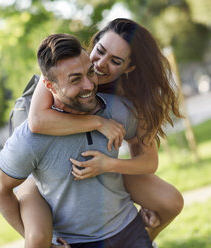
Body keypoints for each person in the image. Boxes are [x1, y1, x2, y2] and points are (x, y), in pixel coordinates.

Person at [23, 18, 184, 244]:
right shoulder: (64, 63)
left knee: (170, 201)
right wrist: (98, 123)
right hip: (44, 169)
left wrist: (107, 164)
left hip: (98, 162)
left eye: (115, 61)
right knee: (36, 238)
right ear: (94, 42)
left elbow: (148, 162)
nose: (100, 64)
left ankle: (142, 239)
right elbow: (38, 121)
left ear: (130, 67)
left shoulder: (133, 98)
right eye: (100, 51)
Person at [0, 33, 153, 248]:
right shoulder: (30, 138)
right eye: (75, 79)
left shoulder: (119, 110)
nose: (88, 85)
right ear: (50, 86)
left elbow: (144, 156)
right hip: (76, 243)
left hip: (129, 230)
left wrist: (149, 201)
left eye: (90, 73)